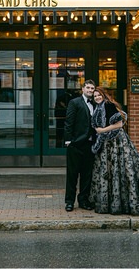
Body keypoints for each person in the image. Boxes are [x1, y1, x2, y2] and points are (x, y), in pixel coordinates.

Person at [89, 87, 139, 215]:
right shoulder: (98, 108)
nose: (97, 98)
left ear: (104, 95)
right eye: (95, 96)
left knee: (122, 170)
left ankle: (126, 202)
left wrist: (102, 131)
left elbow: (119, 124)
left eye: (99, 95)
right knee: (110, 172)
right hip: (106, 144)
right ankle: (112, 203)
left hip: (117, 142)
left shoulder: (109, 105)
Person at [63, 78, 96, 211]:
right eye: (88, 88)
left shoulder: (96, 104)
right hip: (76, 144)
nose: (90, 90)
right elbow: (69, 122)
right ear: (83, 89)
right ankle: (69, 201)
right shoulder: (75, 102)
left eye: (92, 88)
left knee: (87, 175)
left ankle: (83, 200)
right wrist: (68, 141)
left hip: (90, 145)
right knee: (72, 175)